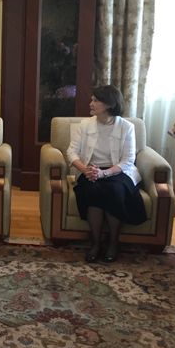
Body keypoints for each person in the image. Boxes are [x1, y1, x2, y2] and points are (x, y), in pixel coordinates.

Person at [67, 85, 146, 263]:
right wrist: (84, 169)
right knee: (92, 191)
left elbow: (128, 160)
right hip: (90, 170)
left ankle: (113, 243)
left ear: (109, 104)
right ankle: (95, 243)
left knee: (115, 191)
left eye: (95, 100)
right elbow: (71, 152)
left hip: (117, 171)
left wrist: (104, 174)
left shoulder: (127, 127)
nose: (91, 103)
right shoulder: (84, 125)